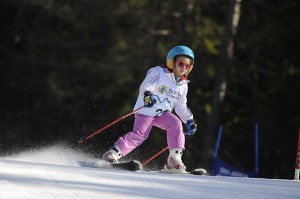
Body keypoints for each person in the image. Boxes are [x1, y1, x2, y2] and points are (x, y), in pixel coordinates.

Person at [102, 45, 197, 171]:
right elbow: (146, 85)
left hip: (162, 114)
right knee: (140, 135)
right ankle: (113, 153)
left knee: (176, 123)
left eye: (187, 66)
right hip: (147, 111)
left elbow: (181, 106)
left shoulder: (183, 86)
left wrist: (189, 120)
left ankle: (174, 160)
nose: (184, 68)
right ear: (171, 62)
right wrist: (147, 95)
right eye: (180, 64)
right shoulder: (159, 72)